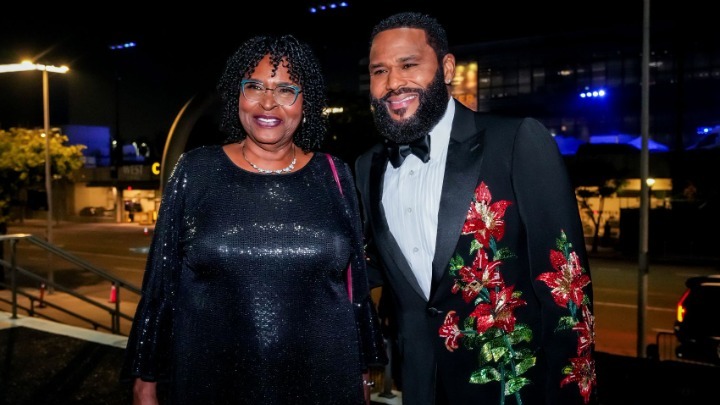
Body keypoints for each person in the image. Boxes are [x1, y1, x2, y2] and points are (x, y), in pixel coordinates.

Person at [121, 34, 386, 405]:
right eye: (255, 86)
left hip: (325, 380)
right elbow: (160, 285)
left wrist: (363, 374)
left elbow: (354, 284)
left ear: (306, 102)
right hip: (212, 381)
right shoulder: (196, 171)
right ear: (237, 93)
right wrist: (144, 381)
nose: (267, 102)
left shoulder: (334, 174)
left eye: (286, 90)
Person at [355, 11, 597, 405]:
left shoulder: (516, 141)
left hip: (510, 390)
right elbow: (372, 266)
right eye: (379, 71)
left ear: (447, 68)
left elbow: (568, 289)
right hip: (419, 389)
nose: (393, 82)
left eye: (409, 65)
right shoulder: (368, 166)